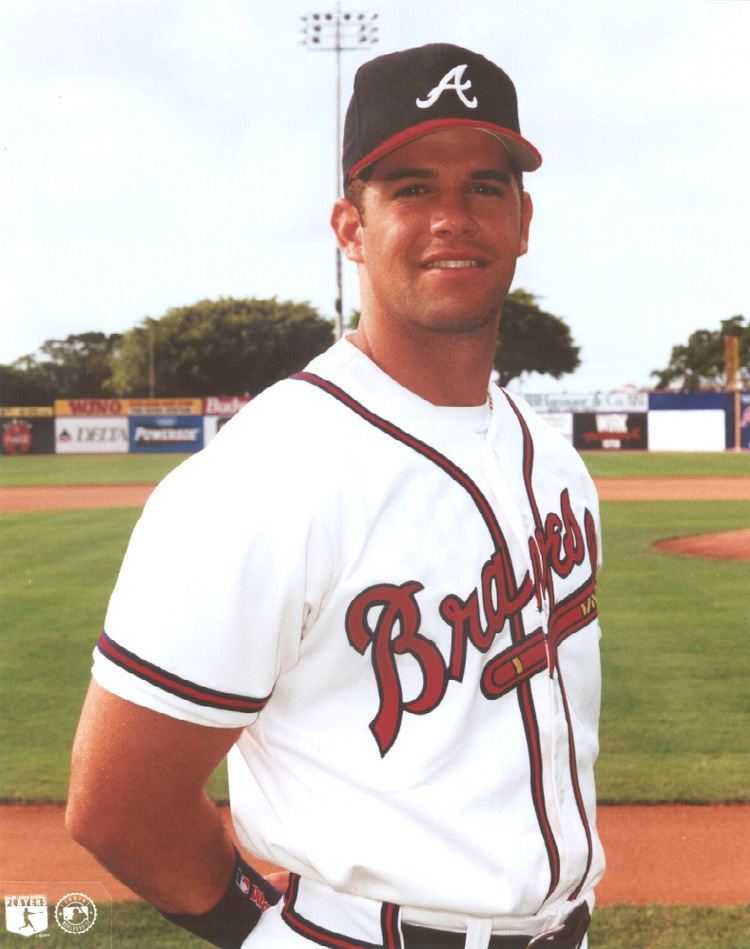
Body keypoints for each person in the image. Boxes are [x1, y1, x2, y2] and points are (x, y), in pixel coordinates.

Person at [67, 43, 604, 949]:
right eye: (410, 189)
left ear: (523, 219)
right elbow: (118, 805)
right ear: (349, 227)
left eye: (484, 186)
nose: (452, 217)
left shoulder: (554, 462)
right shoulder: (261, 477)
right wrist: (263, 934)